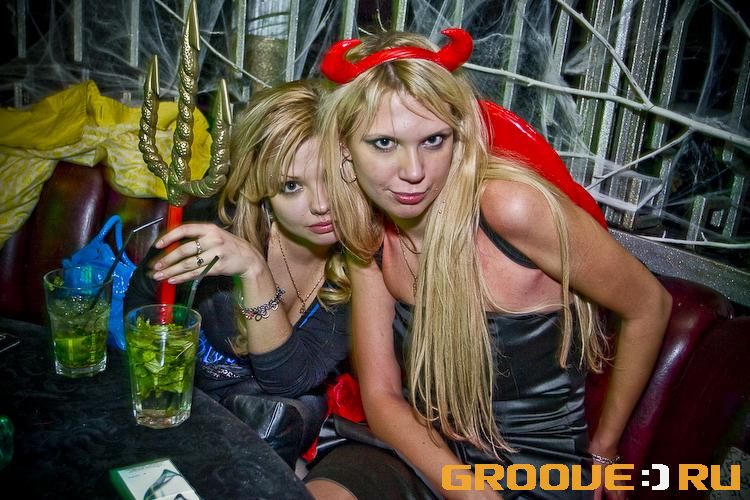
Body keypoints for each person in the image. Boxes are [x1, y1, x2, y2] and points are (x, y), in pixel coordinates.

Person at [303, 29, 672, 500]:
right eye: (383, 143)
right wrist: (466, 489)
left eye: (433, 140)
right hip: (420, 448)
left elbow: (650, 305)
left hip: (533, 464)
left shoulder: (510, 208)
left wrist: (605, 447)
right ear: (345, 149)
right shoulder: (370, 234)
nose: (413, 171)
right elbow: (382, 397)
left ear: (459, 137)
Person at [125, 80, 351, 466]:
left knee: (287, 413)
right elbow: (143, 300)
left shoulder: (360, 265)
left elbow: (289, 381)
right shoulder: (216, 226)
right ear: (260, 186)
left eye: (333, 178)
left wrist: (254, 272)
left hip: (267, 428)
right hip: (180, 407)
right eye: (291, 185)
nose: (321, 205)